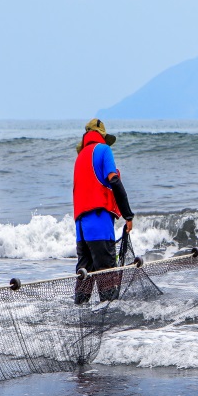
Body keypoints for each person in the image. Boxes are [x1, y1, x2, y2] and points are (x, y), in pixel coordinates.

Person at [73, 118, 134, 304]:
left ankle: (80, 321)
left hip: (80, 230)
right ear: (100, 135)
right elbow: (114, 180)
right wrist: (128, 215)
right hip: (99, 224)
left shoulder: (80, 156)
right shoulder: (104, 150)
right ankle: (110, 327)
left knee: (84, 279)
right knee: (107, 281)